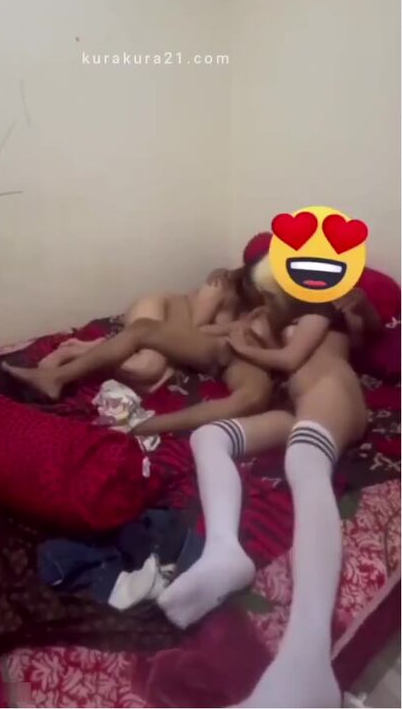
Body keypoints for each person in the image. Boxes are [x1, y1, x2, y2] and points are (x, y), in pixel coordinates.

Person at [156, 261, 380, 708]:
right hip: (295, 406)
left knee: (305, 460)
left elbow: (349, 335)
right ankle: (224, 552)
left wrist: (360, 308)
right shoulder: (269, 313)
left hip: (333, 392)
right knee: (209, 437)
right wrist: (239, 323)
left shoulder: (324, 308)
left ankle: (308, 661)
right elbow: (217, 333)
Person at [2, 267, 280, 433]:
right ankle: (65, 365)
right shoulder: (222, 285)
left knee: (152, 374)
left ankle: (141, 424)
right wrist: (236, 329)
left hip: (215, 350)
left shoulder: (278, 308)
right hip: (173, 319)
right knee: (148, 365)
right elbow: (199, 328)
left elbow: (280, 362)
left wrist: (256, 341)